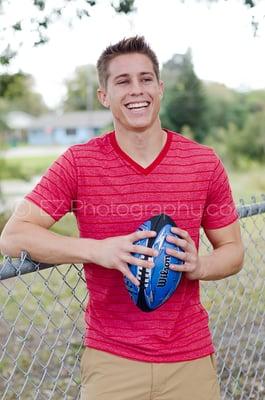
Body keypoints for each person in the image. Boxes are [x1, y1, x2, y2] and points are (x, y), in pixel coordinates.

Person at [0, 36, 244, 400]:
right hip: (111, 360)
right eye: (123, 81)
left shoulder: (202, 162)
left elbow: (234, 251)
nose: (137, 90)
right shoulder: (79, 163)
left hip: (189, 358)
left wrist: (199, 265)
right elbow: (13, 236)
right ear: (104, 95)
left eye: (146, 79)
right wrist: (99, 251)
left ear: (160, 89)